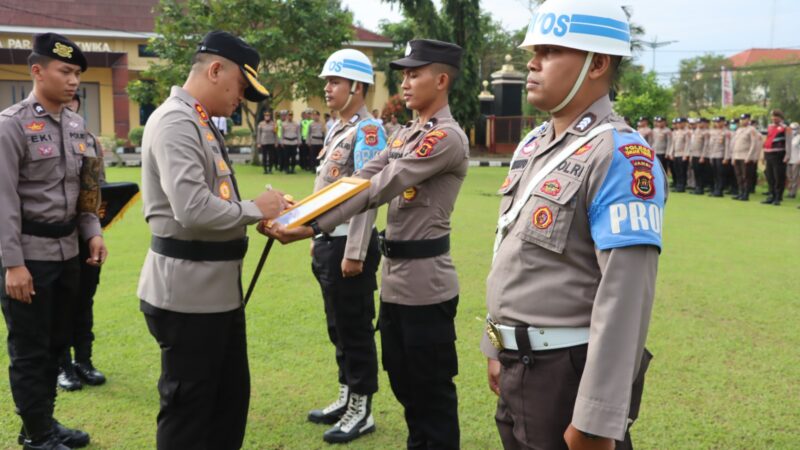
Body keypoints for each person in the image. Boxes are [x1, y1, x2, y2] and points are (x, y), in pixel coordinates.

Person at [263, 38, 468, 450]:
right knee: (406, 385)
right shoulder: (407, 134)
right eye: (404, 74)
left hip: (426, 285)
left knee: (430, 397)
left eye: (415, 74)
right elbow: (354, 181)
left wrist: (309, 226)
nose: (404, 83)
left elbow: (378, 187)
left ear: (442, 79)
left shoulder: (443, 138)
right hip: (397, 280)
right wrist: (297, 213)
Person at [482, 1, 666, 448]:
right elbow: (510, 245)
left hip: (566, 374)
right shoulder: (534, 144)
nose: (532, 62)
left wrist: (596, 417)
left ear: (597, 63)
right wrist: (496, 343)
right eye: (534, 50)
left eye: (549, 51)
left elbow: (625, 294)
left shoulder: (620, 155)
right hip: (518, 363)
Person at [137, 31, 288, 450]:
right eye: (241, 86)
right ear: (215, 69)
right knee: (189, 417)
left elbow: (214, 201)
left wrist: (253, 213)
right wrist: (256, 209)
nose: (242, 97)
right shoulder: (175, 121)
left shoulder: (198, 121)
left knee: (226, 407)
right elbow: (192, 209)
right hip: (187, 300)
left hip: (215, 296)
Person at [0, 33, 106, 450]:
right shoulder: (11, 126)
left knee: (56, 343)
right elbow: (3, 201)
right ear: (37, 71)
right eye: (65, 71)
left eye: (78, 72)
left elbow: (88, 190)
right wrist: (12, 264)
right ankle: (38, 436)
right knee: (29, 350)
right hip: (29, 256)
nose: (74, 80)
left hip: (69, 254)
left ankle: (39, 424)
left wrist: (93, 233)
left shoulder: (78, 125)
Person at [302, 48, 387, 444]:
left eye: (334, 81)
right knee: (337, 327)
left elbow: (367, 196)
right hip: (328, 243)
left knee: (354, 330)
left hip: (349, 249)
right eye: (327, 81)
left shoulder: (369, 131)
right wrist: (314, 234)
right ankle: (346, 394)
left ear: (356, 86)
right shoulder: (338, 128)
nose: (327, 87)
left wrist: (354, 250)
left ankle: (362, 409)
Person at [56, 94, 109, 392]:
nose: (69, 105)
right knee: (61, 305)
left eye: (73, 101)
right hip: (54, 237)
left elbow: (95, 189)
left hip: (86, 235)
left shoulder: (89, 139)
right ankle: (62, 365)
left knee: (84, 300)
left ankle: (84, 361)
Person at [761, 109, 792, 205]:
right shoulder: (770, 127)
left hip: (779, 154)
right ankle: (772, 195)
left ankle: (778, 197)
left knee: (778, 176)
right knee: (770, 176)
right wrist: (763, 154)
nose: (774, 118)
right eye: (773, 116)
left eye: (776, 116)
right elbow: (767, 140)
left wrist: (787, 156)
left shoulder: (786, 128)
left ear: (781, 118)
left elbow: (788, 143)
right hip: (768, 153)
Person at [730, 113, 762, 201]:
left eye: (744, 119)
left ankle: (746, 194)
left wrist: (749, 156)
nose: (742, 121)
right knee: (738, 176)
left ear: (748, 120)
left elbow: (753, 144)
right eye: (741, 119)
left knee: (746, 176)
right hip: (737, 156)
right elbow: (734, 144)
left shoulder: (752, 130)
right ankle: (740, 192)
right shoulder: (739, 130)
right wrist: (733, 156)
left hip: (745, 156)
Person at [707, 116, 730, 197]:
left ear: (723, 122)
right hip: (713, 155)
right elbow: (710, 145)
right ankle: (715, 189)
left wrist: (726, 157)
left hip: (721, 155)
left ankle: (720, 190)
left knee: (720, 174)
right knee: (714, 173)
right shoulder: (712, 132)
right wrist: (709, 155)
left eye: (719, 122)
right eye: (716, 122)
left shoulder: (726, 132)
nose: (717, 123)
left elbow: (727, 145)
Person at [689, 117, 710, 194]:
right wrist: (691, 155)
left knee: (701, 173)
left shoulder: (705, 132)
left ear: (704, 124)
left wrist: (702, 156)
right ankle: (697, 187)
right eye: (698, 123)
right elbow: (692, 144)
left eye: (700, 123)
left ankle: (700, 188)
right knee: (696, 172)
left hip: (700, 155)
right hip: (694, 154)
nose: (699, 124)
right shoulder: (695, 132)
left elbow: (706, 145)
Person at [668, 117, 690, 192]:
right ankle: (678, 185)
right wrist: (671, 153)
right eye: (677, 123)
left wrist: (686, 154)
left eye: (680, 123)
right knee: (676, 170)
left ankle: (682, 186)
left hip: (682, 154)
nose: (678, 125)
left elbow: (687, 144)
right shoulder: (675, 132)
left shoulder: (687, 132)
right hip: (676, 154)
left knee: (682, 171)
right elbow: (673, 144)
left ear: (684, 123)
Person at [651, 116, 671, 182]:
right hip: (655, 152)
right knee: (656, 167)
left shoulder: (667, 131)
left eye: (661, 122)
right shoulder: (654, 130)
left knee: (663, 168)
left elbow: (669, 143)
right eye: (658, 122)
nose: (659, 123)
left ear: (664, 122)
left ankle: (664, 181)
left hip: (663, 152)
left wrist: (668, 152)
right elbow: (652, 141)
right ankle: (657, 181)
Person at [787, 122, 800, 200]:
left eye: (794, 129)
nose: (793, 130)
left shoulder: (799, 137)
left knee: (795, 177)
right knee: (789, 176)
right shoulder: (789, 137)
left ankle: (793, 193)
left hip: (796, 159)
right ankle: (790, 191)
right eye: (791, 129)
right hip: (789, 159)